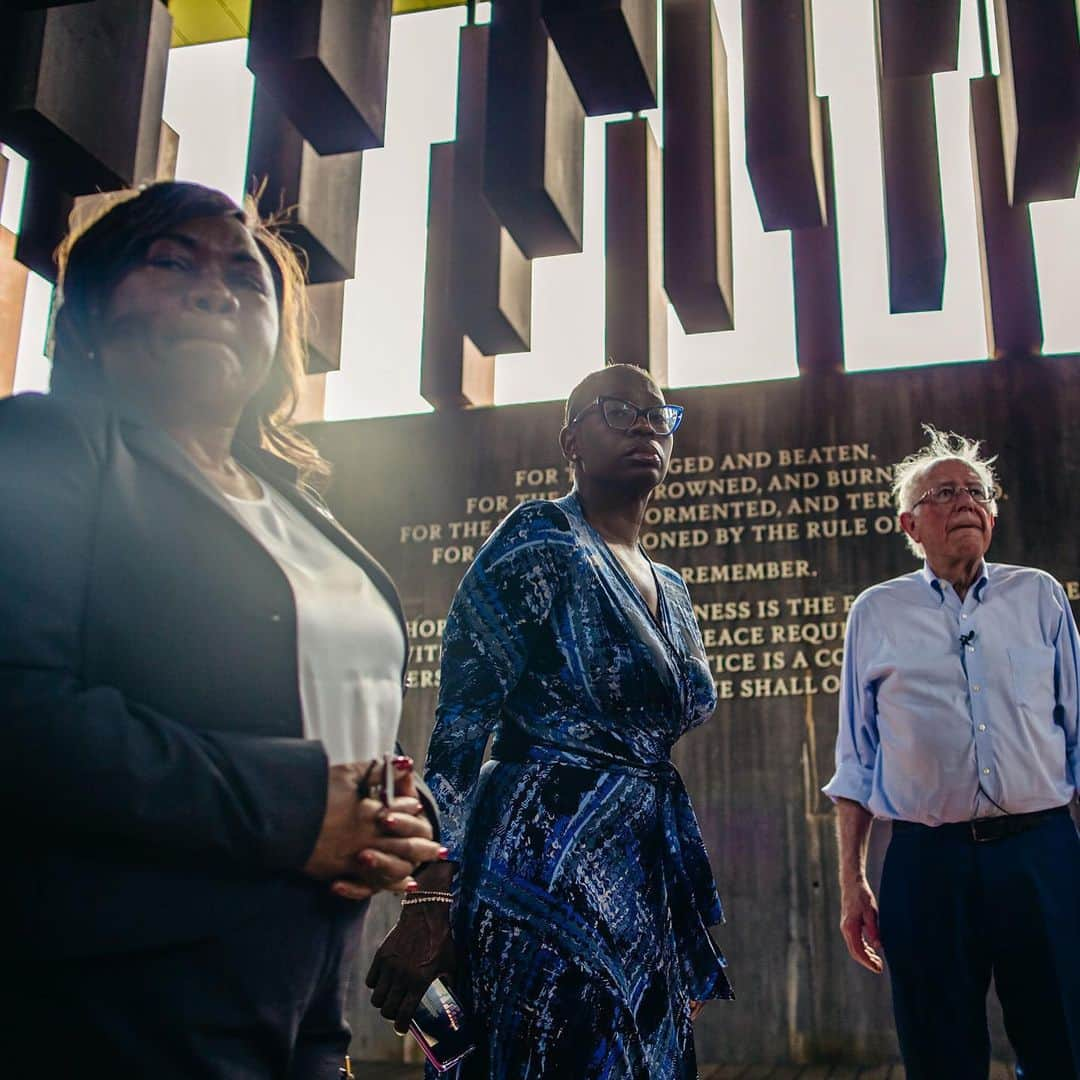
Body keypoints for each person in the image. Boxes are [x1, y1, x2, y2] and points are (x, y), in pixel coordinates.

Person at [0, 181, 445, 1078]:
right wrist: (294, 810)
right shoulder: (47, 442)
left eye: (247, 277)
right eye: (172, 261)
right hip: (112, 1006)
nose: (217, 289)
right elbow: (19, 708)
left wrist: (396, 809)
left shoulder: (302, 511)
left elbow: (319, 697)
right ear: (87, 315)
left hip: (307, 1001)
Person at [366, 363, 732, 1078]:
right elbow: (462, 727)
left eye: (660, 415)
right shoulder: (541, 538)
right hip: (537, 870)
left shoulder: (675, 590)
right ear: (571, 439)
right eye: (620, 410)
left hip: (640, 870)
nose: (647, 426)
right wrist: (431, 894)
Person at [824, 426, 1080, 1079]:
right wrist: (853, 883)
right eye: (944, 492)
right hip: (926, 864)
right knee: (939, 1055)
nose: (965, 500)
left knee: (1064, 1044)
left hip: (1041, 853)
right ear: (910, 523)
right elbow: (855, 760)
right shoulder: (876, 612)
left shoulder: (1041, 596)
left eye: (976, 491)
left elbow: (1077, 739)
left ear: (992, 515)